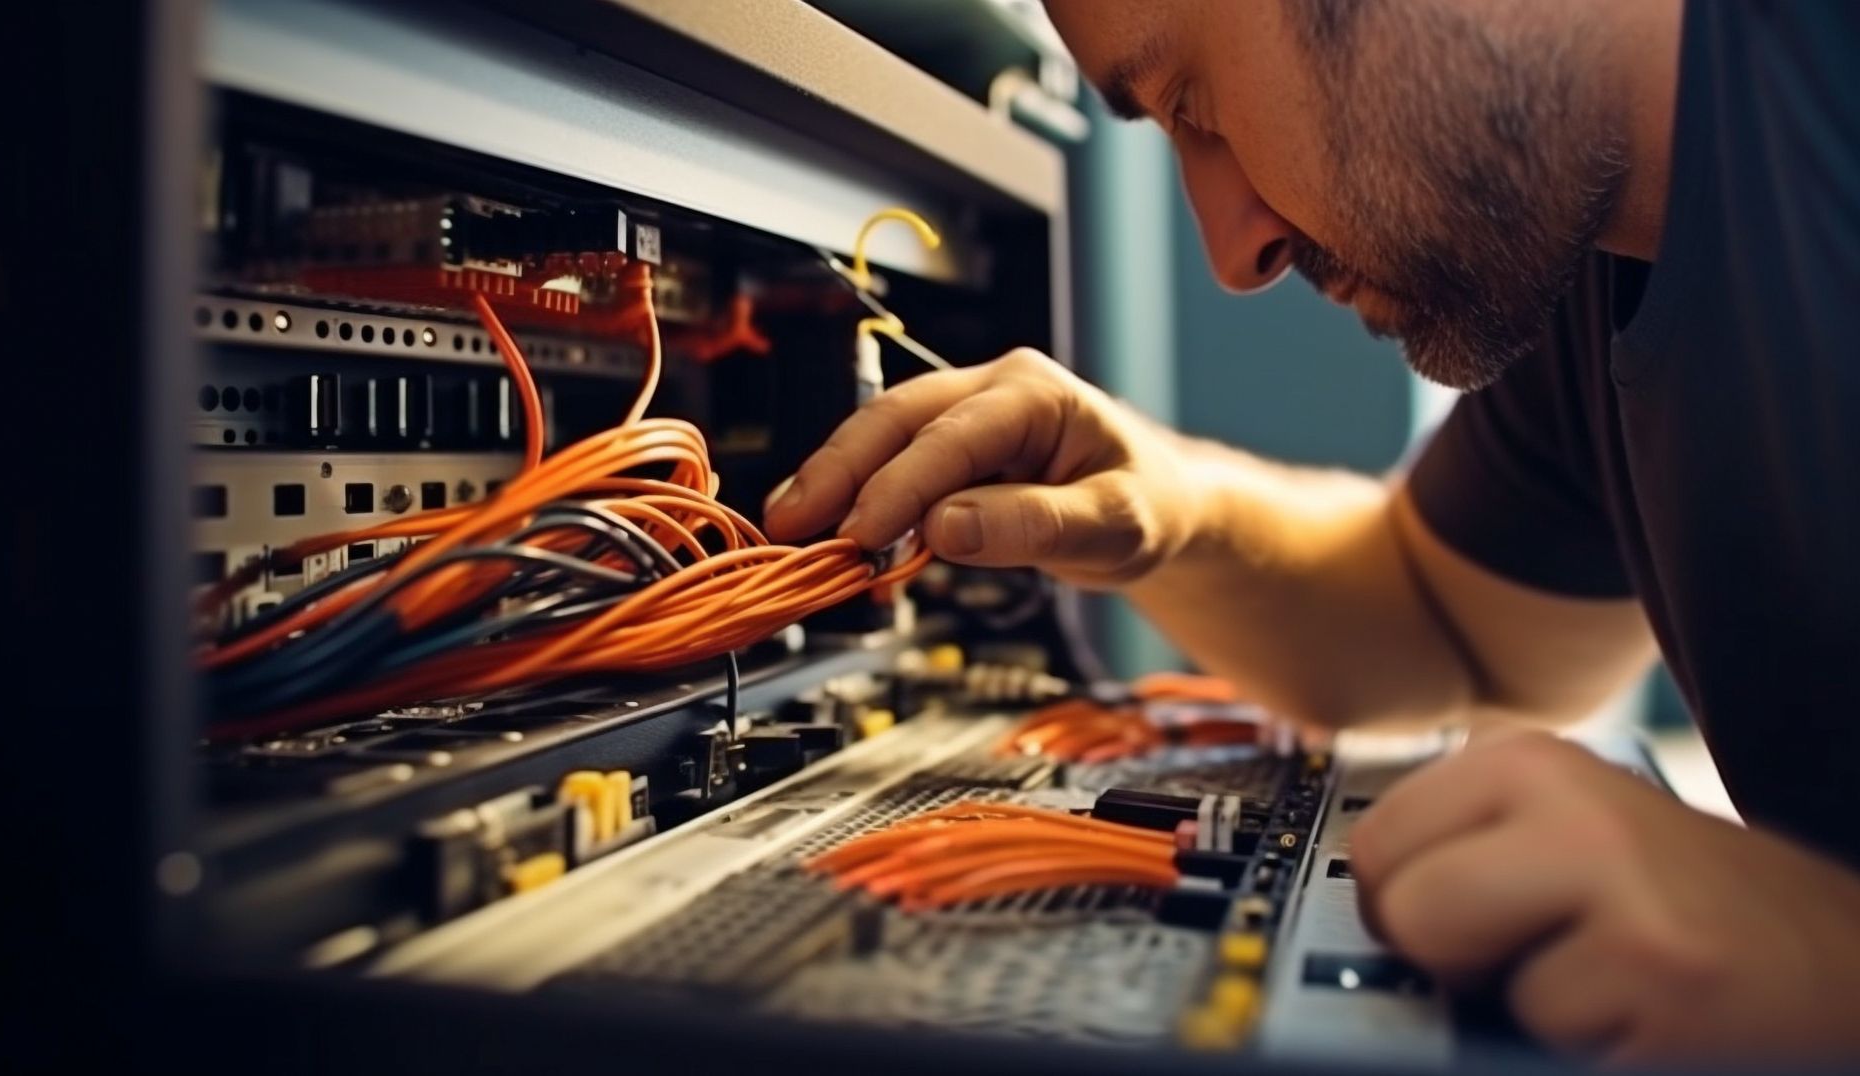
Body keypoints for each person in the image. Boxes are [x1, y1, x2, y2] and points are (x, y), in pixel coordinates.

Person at [764, 0, 1860, 1063]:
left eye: (1193, 100)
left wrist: (1828, 968)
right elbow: (1448, 623)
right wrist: (1163, 504)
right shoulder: (1602, 255)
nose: (1233, 255)